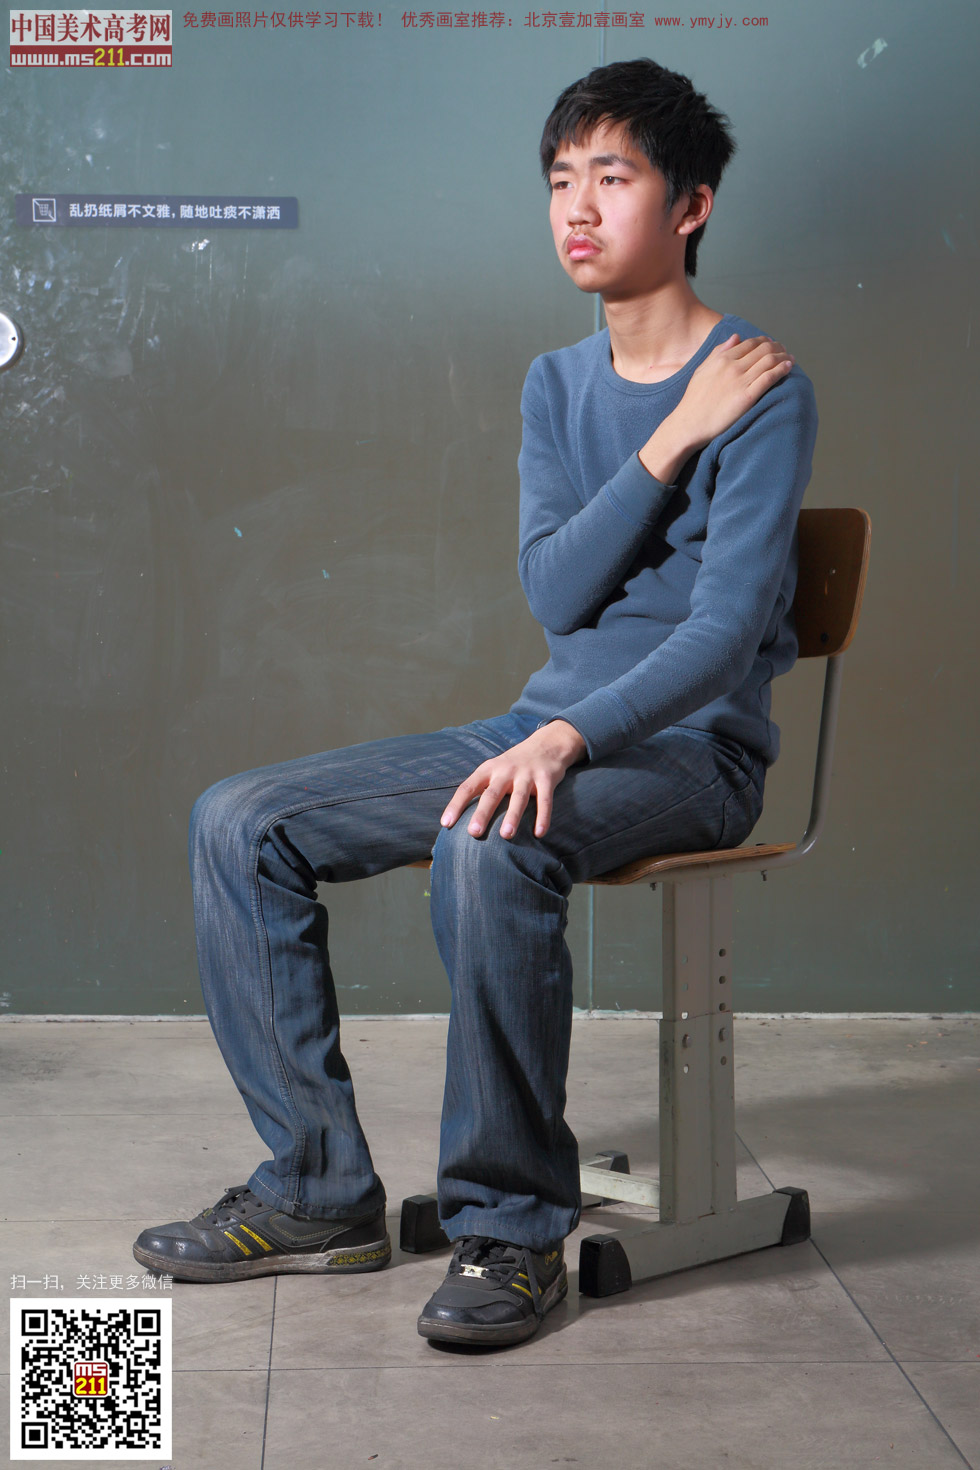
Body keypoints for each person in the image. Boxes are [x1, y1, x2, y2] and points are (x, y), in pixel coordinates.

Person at [133, 57, 817, 1349]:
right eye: (560, 180)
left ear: (691, 205)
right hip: (542, 727)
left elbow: (726, 637)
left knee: (490, 840)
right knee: (240, 819)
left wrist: (571, 736)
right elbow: (557, 590)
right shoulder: (557, 385)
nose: (577, 206)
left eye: (612, 177)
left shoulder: (763, 386)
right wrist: (669, 439)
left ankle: (510, 1229)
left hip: (692, 753)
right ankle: (318, 1192)